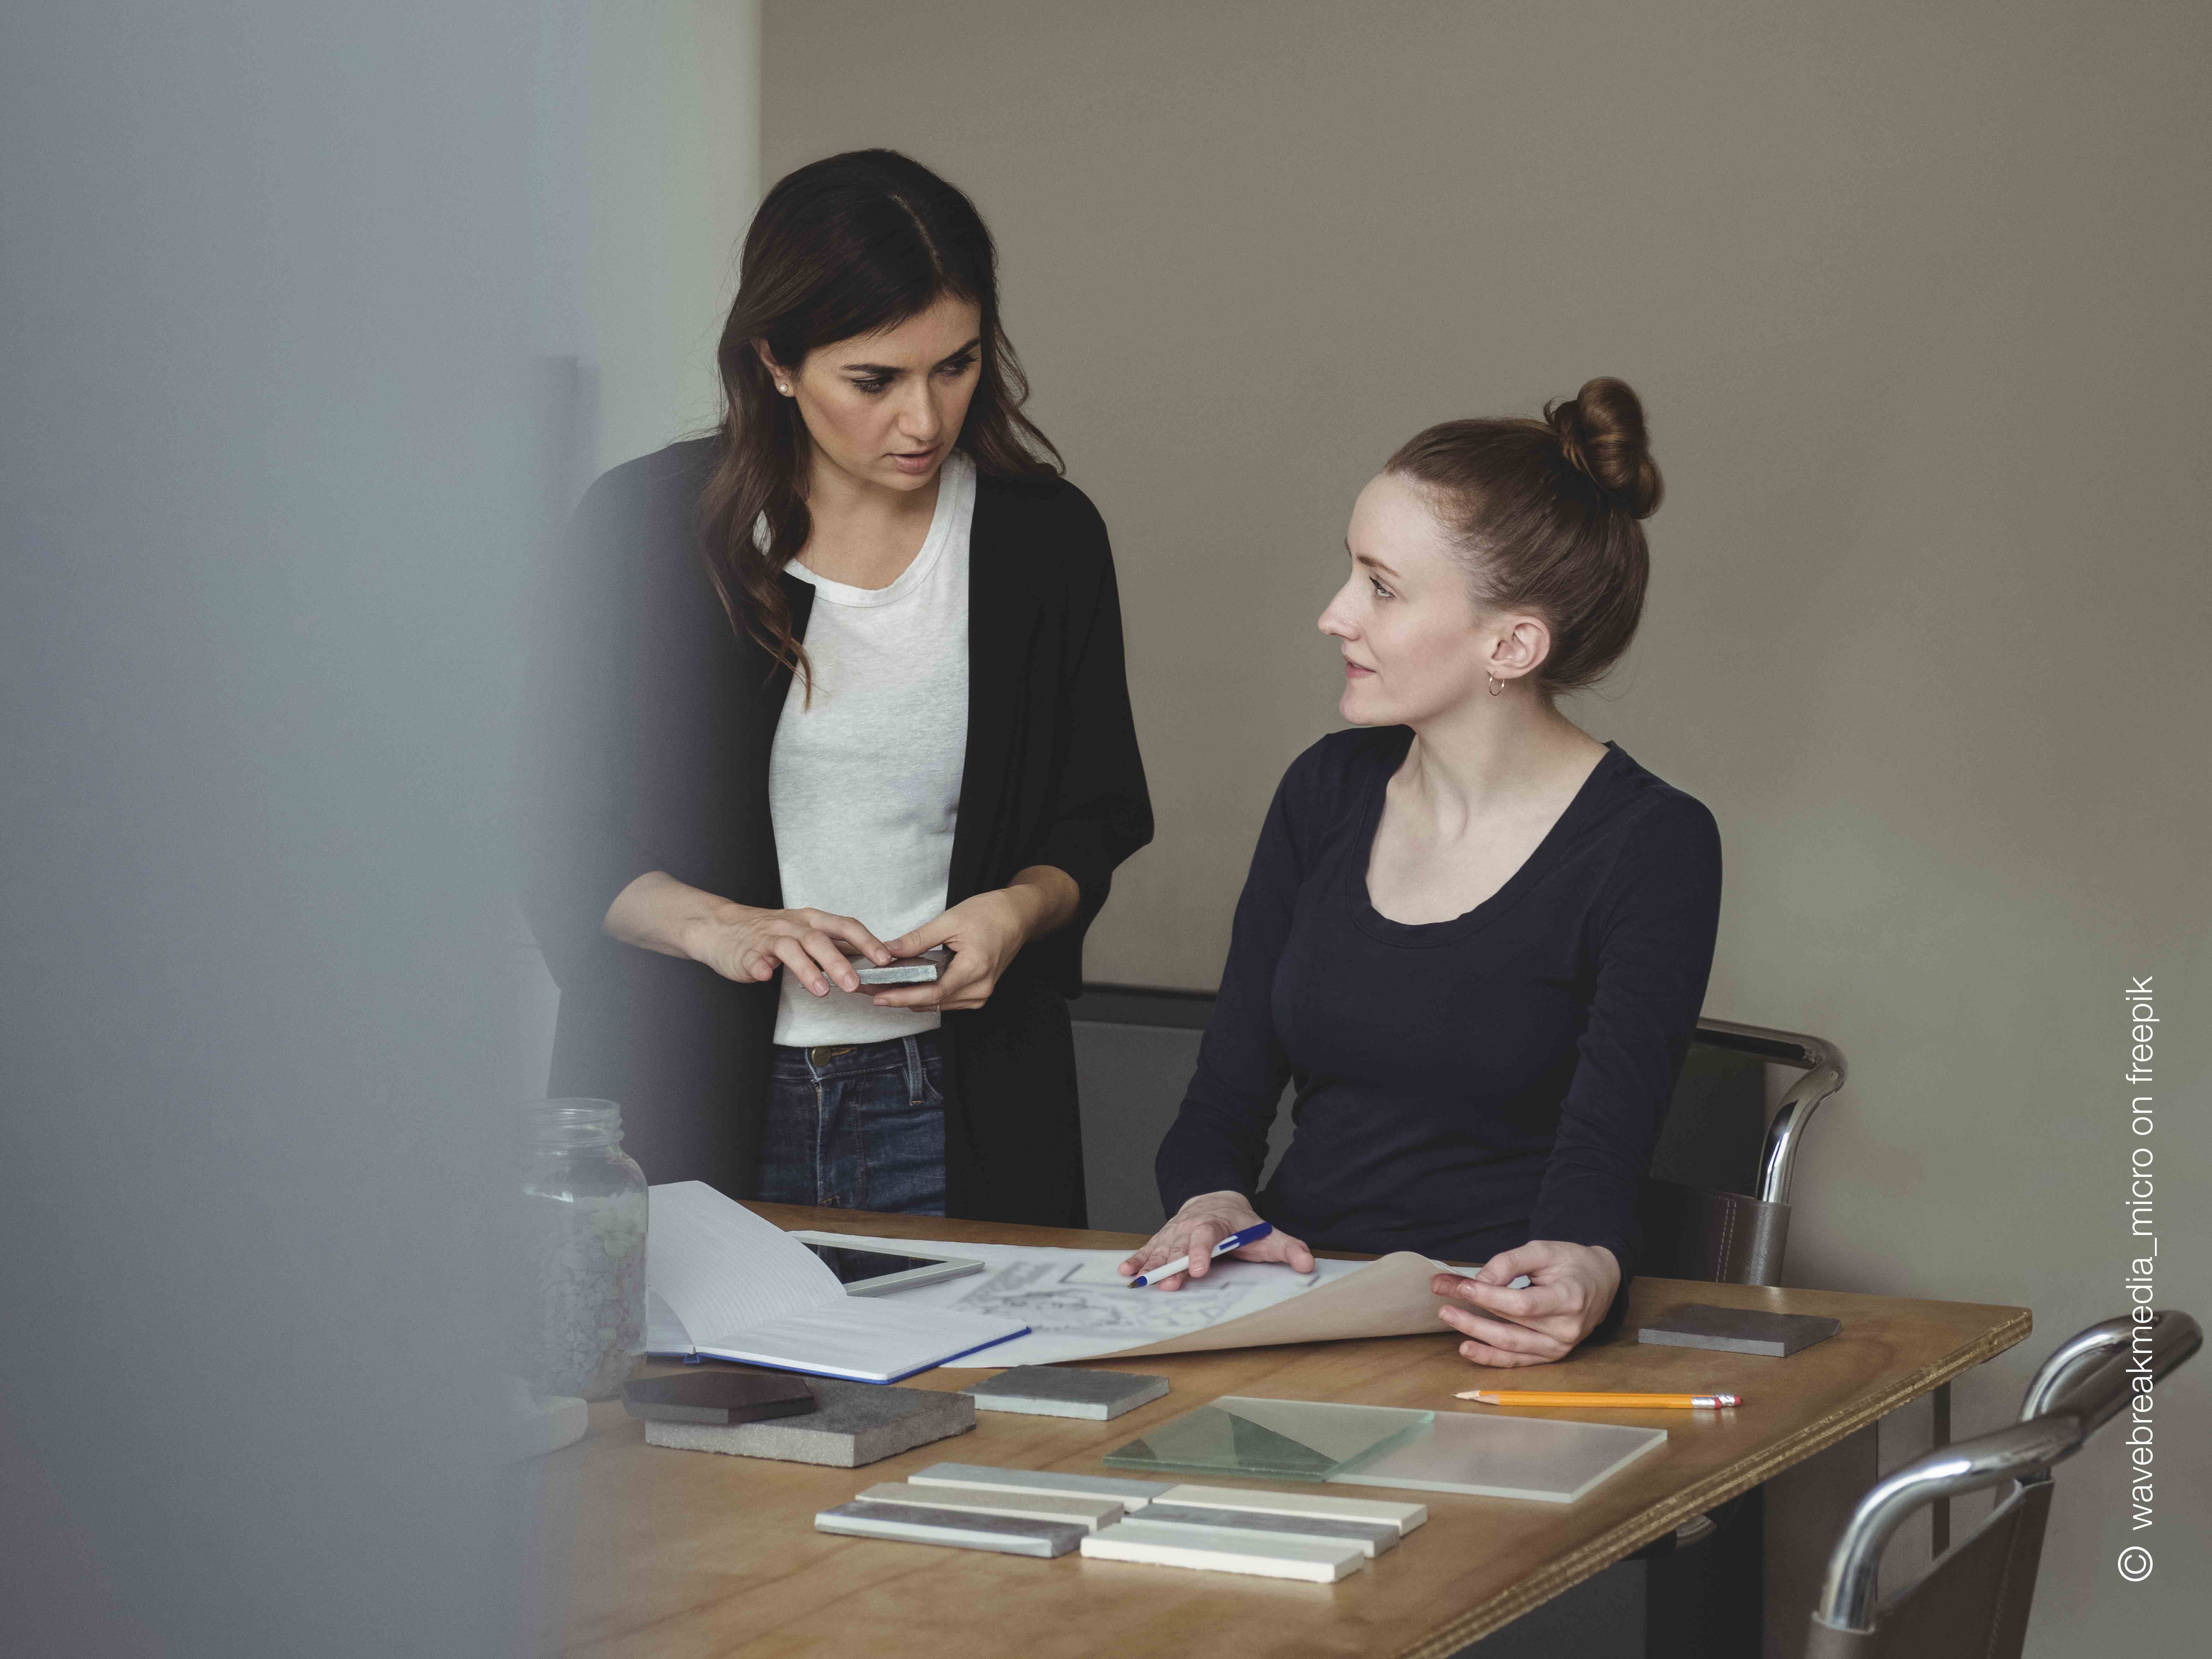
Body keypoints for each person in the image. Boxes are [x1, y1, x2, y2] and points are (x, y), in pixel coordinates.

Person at [522, 150, 1151, 1226]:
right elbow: (548, 826)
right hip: (686, 1092)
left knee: (969, 1344)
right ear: (775, 360)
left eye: (955, 366)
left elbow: (1094, 817)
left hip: (955, 1094)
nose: (924, 421)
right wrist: (720, 927)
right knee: (675, 1343)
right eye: (874, 380)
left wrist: (1015, 911)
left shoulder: (1046, 540)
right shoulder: (644, 531)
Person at [1122, 378, 1720, 1366]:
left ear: (1511, 643)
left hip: (1493, 1331)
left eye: (1381, 587)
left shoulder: (1651, 843)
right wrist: (1210, 1204)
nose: (1332, 614)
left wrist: (1583, 1267)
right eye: (1349, 572)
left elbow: (1601, 1156)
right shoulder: (1324, 790)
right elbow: (1222, 1101)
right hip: (1294, 1310)